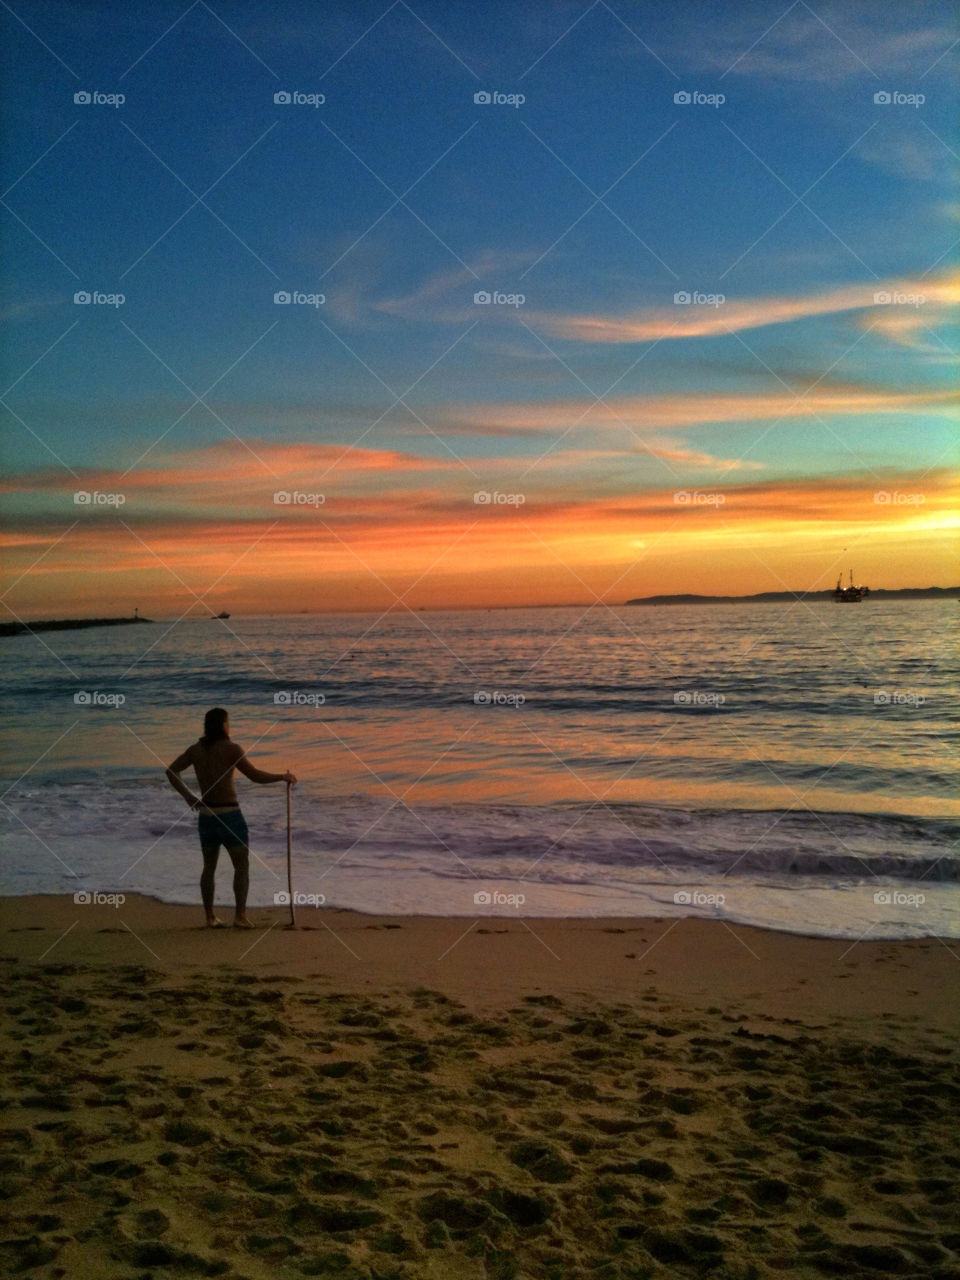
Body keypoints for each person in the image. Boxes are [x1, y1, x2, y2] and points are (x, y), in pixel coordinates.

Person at [165, 708, 296, 928]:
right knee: (241, 866)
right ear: (224, 725)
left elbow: (171, 771)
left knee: (209, 867)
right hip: (229, 816)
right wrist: (282, 777)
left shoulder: (195, 750)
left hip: (206, 817)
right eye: (228, 722)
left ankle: (210, 917)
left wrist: (189, 797)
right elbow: (254, 776)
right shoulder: (231, 749)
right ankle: (240, 916)